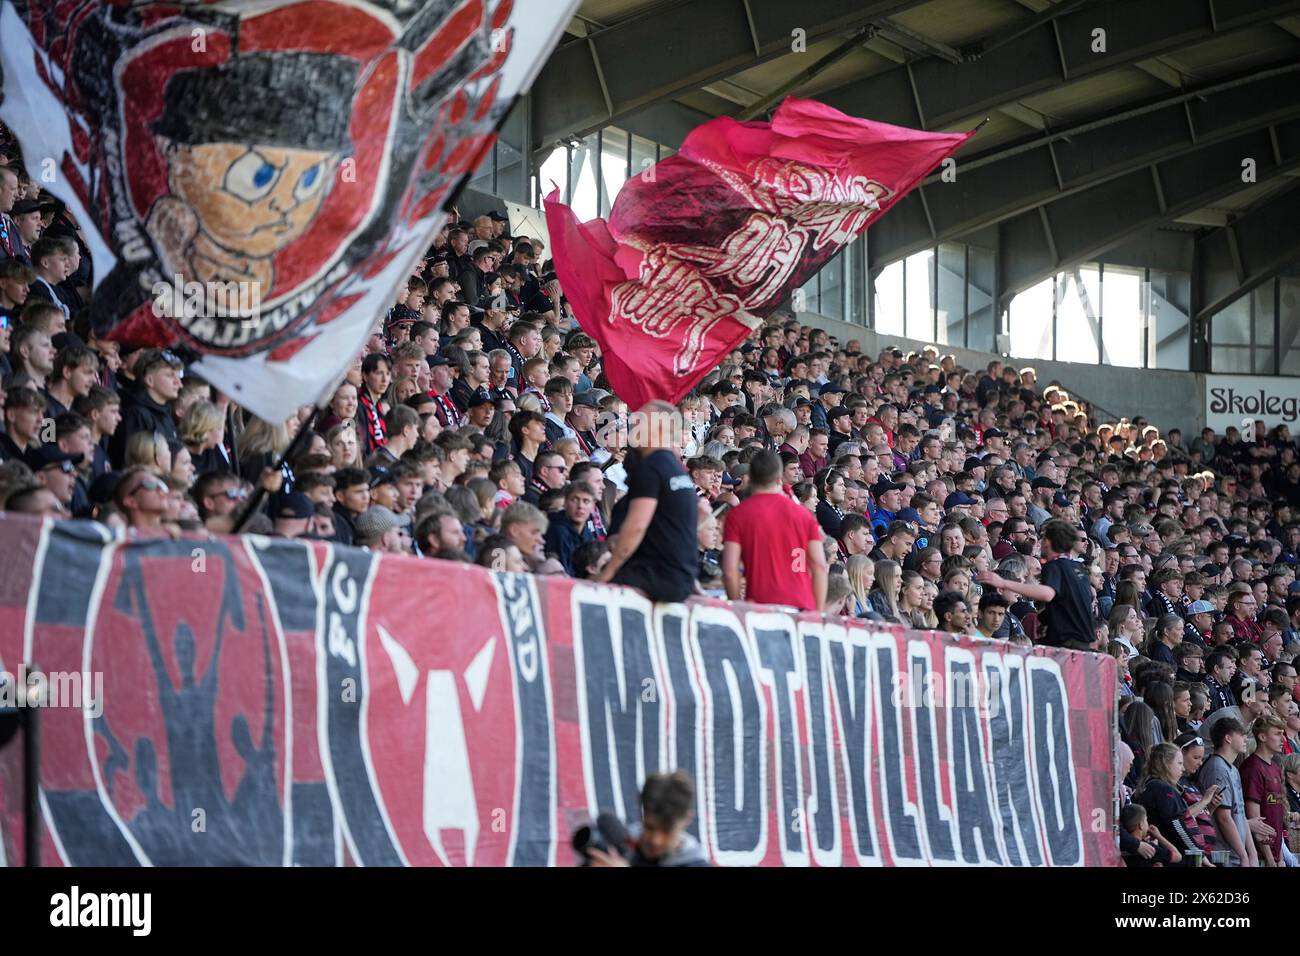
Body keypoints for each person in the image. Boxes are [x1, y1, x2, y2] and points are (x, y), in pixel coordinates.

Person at [598, 401, 698, 603]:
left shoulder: (650, 468)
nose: (632, 421)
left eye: (640, 419)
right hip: (681, 578)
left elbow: (636, 526)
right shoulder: (677, 470)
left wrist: (606, 575)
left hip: (655, 577)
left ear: (660, 427)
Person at [721, 450, 826, 611]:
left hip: (759, 607)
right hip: (801, 606)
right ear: (779, 478)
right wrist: (817, 613)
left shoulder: (737, 514)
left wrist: (737, 607)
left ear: (751, 478)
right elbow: (819, 566)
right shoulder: (804, 515)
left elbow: (730, 571)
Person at [976, 519, 1093, 649]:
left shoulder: (1055, 565)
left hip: (1066, 643)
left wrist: (1003, 583)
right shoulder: (1079, 569)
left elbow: (1047, 594)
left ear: (1048, 542)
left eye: (1042, 539)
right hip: (1083, 643)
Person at [586, 770, 708, 867]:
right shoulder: (621, 844)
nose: (656, 840)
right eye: (649, 827)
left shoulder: (696, 864)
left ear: (687, 819)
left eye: (666, 830)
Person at [1196, 717, 1256, 867]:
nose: (1245, 739)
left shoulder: (1233, 769)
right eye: (1241, 735)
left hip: (1237, 855)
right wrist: (1244, 856)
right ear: (1228, 738)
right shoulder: (1217, 768)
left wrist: (1252, 854)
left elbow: (1240, 813)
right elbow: (1223, 818)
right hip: (1223, 856)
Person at [1241, 713, 1288, 867]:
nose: (1283, 740)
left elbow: (1277, 816)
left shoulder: (1274, 767)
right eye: (1278, 734)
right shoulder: (1252, 768)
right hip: (1260, 857)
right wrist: (1269, 859)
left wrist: (1280, 858)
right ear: (1262, 737)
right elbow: (1255, 818)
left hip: (1275, 856)